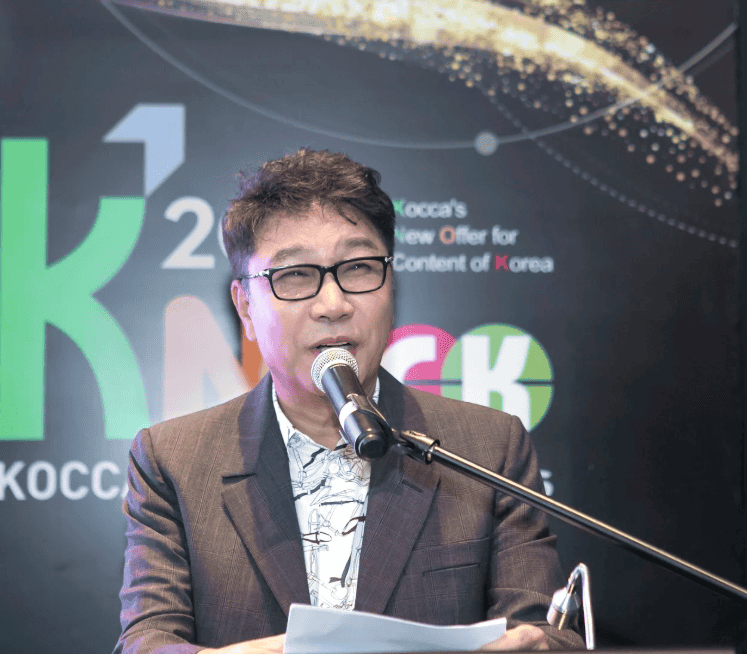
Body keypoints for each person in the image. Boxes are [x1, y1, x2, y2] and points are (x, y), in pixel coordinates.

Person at [114, 149, 584, 653]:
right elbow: (147, 642)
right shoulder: (174, 461)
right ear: (245, 306)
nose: (333, 304)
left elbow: (544, 633)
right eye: (295, 275)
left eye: (358, 267)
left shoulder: (489, 448)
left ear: (391, 283)